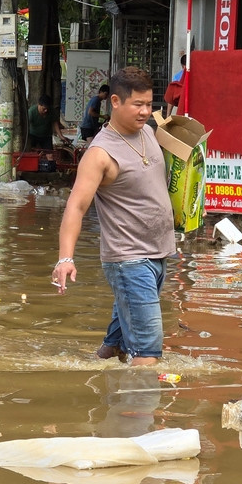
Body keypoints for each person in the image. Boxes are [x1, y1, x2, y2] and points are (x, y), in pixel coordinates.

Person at [53, 67, 176, 366]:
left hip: (159, 253)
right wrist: (65, 258)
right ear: (116, 102)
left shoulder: (148, 131)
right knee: (148, 353)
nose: (146, 112)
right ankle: (141, 409)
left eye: (150, 104)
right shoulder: (100, 154)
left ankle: (96, 370)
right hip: (129, 259)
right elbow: (76, 207)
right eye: (138, 105)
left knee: (117, 347)